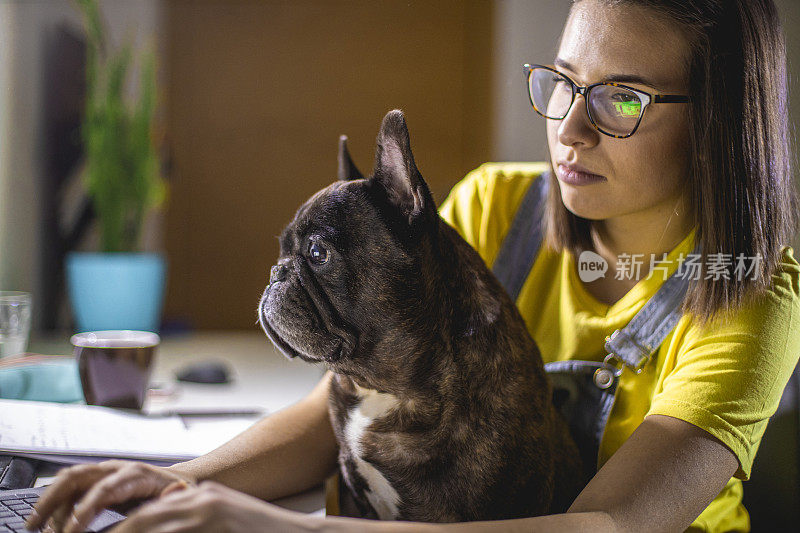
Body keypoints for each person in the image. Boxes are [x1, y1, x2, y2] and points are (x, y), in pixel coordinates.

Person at [27, 0, 800, 531]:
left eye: (621, 100)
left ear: (720, 122)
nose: (568, 128)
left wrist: (264, 524)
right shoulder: (496, 208)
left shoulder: (753, 293)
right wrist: (173, 484)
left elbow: (609, 524)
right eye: (563, 84)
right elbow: (339, 408)